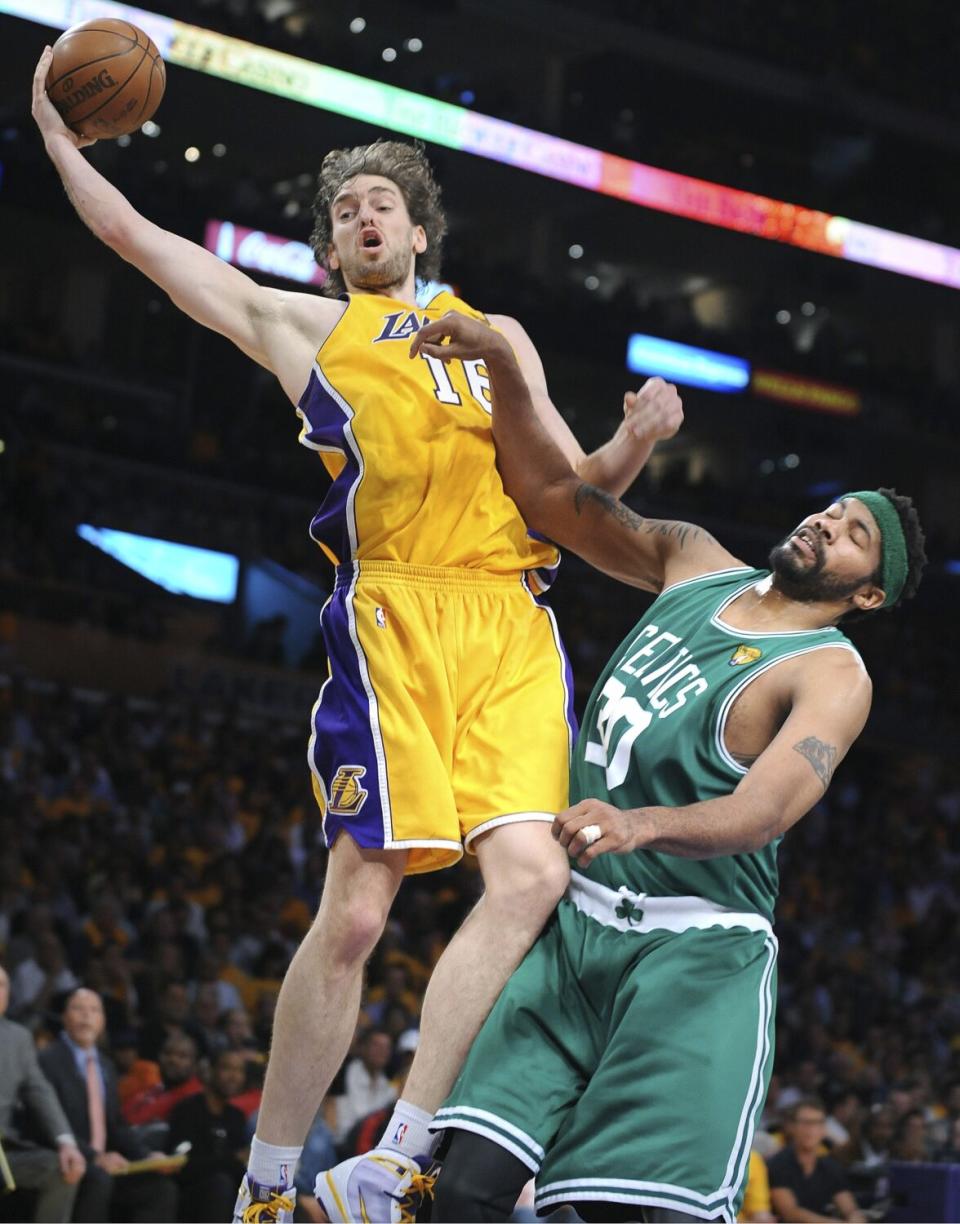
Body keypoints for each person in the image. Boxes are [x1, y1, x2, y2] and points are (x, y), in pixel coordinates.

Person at [32, 49, 681, 1224]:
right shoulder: (306, 328)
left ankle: (400, 1154)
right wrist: (59, 135)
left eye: (382, 202)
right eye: (344, 211)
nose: (363, 215)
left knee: (533, 876)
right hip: (392, 614)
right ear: (333, 252)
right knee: (363, 911)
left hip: (514, 625)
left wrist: (631, 443)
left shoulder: (500, 336)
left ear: (418, 231)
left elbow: (563, 495)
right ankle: (267, 1184)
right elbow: (139, 240)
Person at [402, 311, 926, 1223]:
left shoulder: (832, 676)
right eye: (830, 512)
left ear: (866, 593)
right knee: (463, 1193)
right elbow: (549, 499)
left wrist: (638, 823)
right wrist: (505, 372)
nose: (824, 527)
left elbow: (766, 811)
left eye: (850, 539)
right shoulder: (692, 561)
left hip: (694, 958)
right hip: (579, 938)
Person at [37, 987, 179, 1223]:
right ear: (64, 1018)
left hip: (105, 1164)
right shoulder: (48, 1060)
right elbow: (47, 1123)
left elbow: (116, 1125)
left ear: (102, 1021)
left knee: (161, 1189)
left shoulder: (105, 1065)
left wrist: (146, 1156)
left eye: (93, 1010)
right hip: (68, 1158)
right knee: (99, 1179)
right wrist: (94, 1157)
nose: (86, 1016)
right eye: (78, 1009)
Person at [0, 964, 85, 1223]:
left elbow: (40, 1091)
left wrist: (66, 1142)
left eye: (1, 985)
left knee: (61, 1169)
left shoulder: (18, 1038)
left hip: (5, 1151)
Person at [167, 1049, 250, 1222]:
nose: (234, 1076)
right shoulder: (187, 1110)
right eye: (227, 1068)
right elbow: (181, 1165)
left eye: (239, 1070)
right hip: (189, 1198)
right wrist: (232, 1159)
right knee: (221, 1184)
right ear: (210, 1071)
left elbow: (239, 1167)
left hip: (229, 1197)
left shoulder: (236, 1117)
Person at [767, 1100, 865, 1222]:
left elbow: (849, 1208)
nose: (811, 1129)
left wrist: (855, 1218)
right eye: (805, 1123)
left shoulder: (830, 1167)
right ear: (791, 1127)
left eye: (818, 1123)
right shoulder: (778, 1164)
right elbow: (790, 1213)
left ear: (824, 1130)